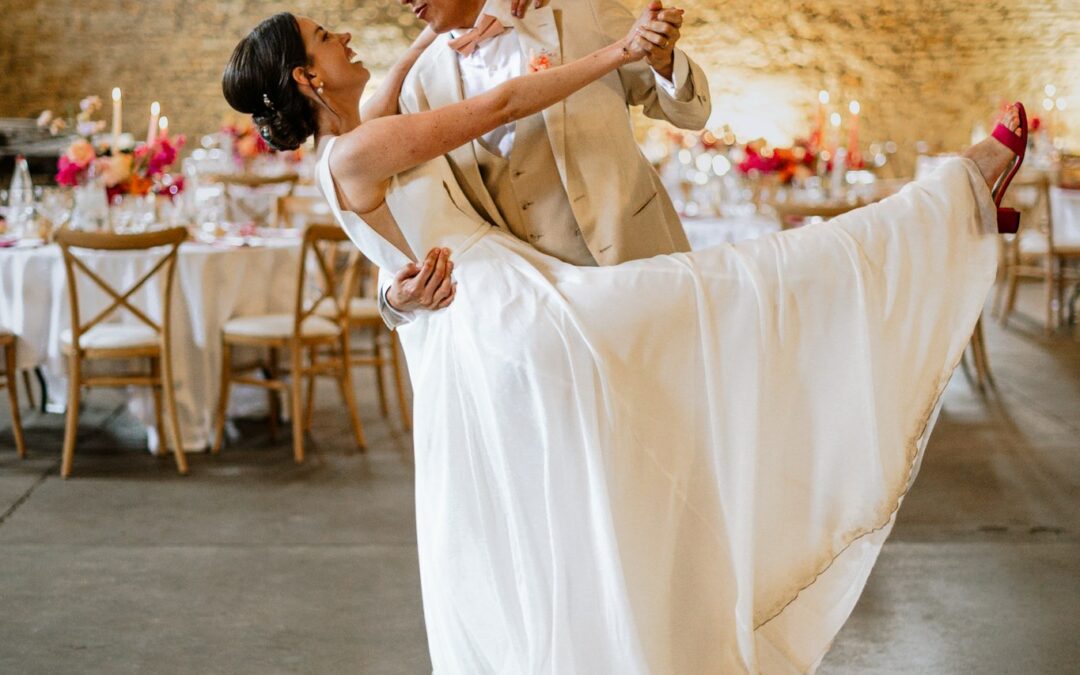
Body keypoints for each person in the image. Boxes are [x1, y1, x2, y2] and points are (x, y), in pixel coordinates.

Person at [223, 8, 1026, 672]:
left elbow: (406, 85)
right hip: (520, 318)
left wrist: (457, 30)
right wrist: (612, 52)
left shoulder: (368, 117)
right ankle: (950, 206)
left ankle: (623, 648)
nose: (364, 26)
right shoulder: (364, 142)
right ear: (306, 76)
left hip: (518, 312)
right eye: (329, 35)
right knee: (748, 290)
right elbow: (501, 109)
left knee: (587, 506)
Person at [379, 0, 712, 328]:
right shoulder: (421, 81)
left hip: (630, 261)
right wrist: (392, 297)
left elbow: (690, 113)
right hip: (528, 307)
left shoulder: (581, 10)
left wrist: (664, 61)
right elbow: (411, 200)